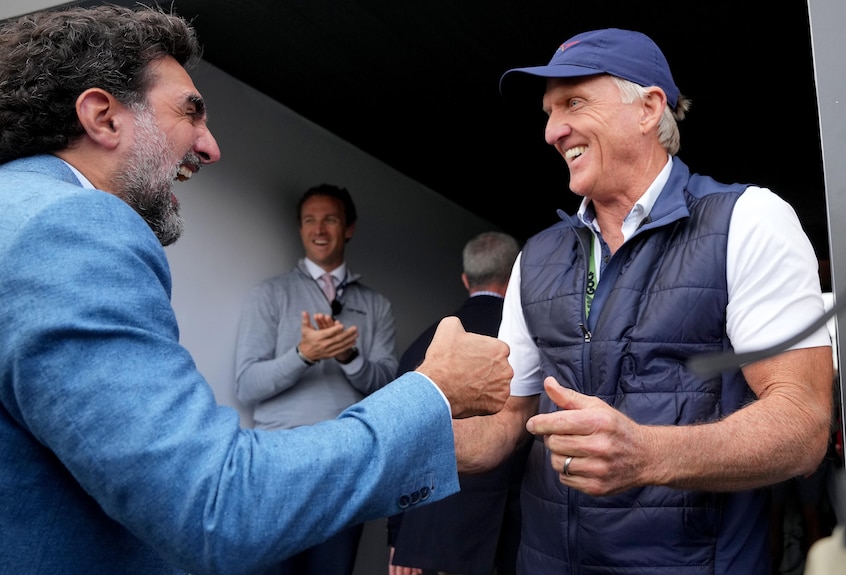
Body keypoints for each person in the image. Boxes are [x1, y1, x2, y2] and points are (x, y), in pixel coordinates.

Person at [0, 6, 513, 575]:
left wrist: (363, 371)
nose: (211, 146)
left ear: (348, 229)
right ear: (103, 116)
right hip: (265, 484)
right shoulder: (71, 227)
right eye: (191, 112)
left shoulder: (19, 210)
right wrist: (434, 395)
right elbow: (216, 507)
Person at [452, 28, 835, 575]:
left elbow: (803, 425)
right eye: (548, 111)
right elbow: (507, 421)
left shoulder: (749, 220)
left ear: (649, 108)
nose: (553, 131)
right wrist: (402, 439)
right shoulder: (534, 256)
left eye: (574, 102)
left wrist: (648, 454)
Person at [234, 183, 398, 575]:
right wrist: (304, 355)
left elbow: (386, 387)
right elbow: (247, 385)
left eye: (330, 219)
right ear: (300, 228)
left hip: (345, 468)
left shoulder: (376, 305)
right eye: (309, 220)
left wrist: (348, 356)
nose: (319, 229)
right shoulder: (269, 294)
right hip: (277, 465)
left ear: (349, 228)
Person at [387, 231, 531, 575]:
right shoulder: (528, 347)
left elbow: (400, 443)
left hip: (423, 539)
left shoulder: (424, 346)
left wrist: (399, 537)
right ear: (516, 279)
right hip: (503, 540)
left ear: (466, 280)